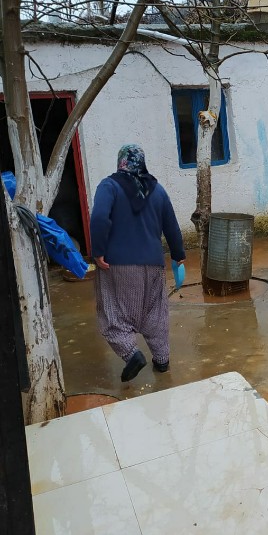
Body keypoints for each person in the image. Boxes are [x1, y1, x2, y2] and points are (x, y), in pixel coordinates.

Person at [90, 144, 186, 382]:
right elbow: (171, 225)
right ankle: (162, 360)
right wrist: (178, 253)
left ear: (120, 161)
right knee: (155, 314)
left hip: (118, 265)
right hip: (153, 264)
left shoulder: (109, 186)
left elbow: (100, 217)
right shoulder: (157, 190)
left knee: (114, 314)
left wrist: (98, 251)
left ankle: (131, 354)